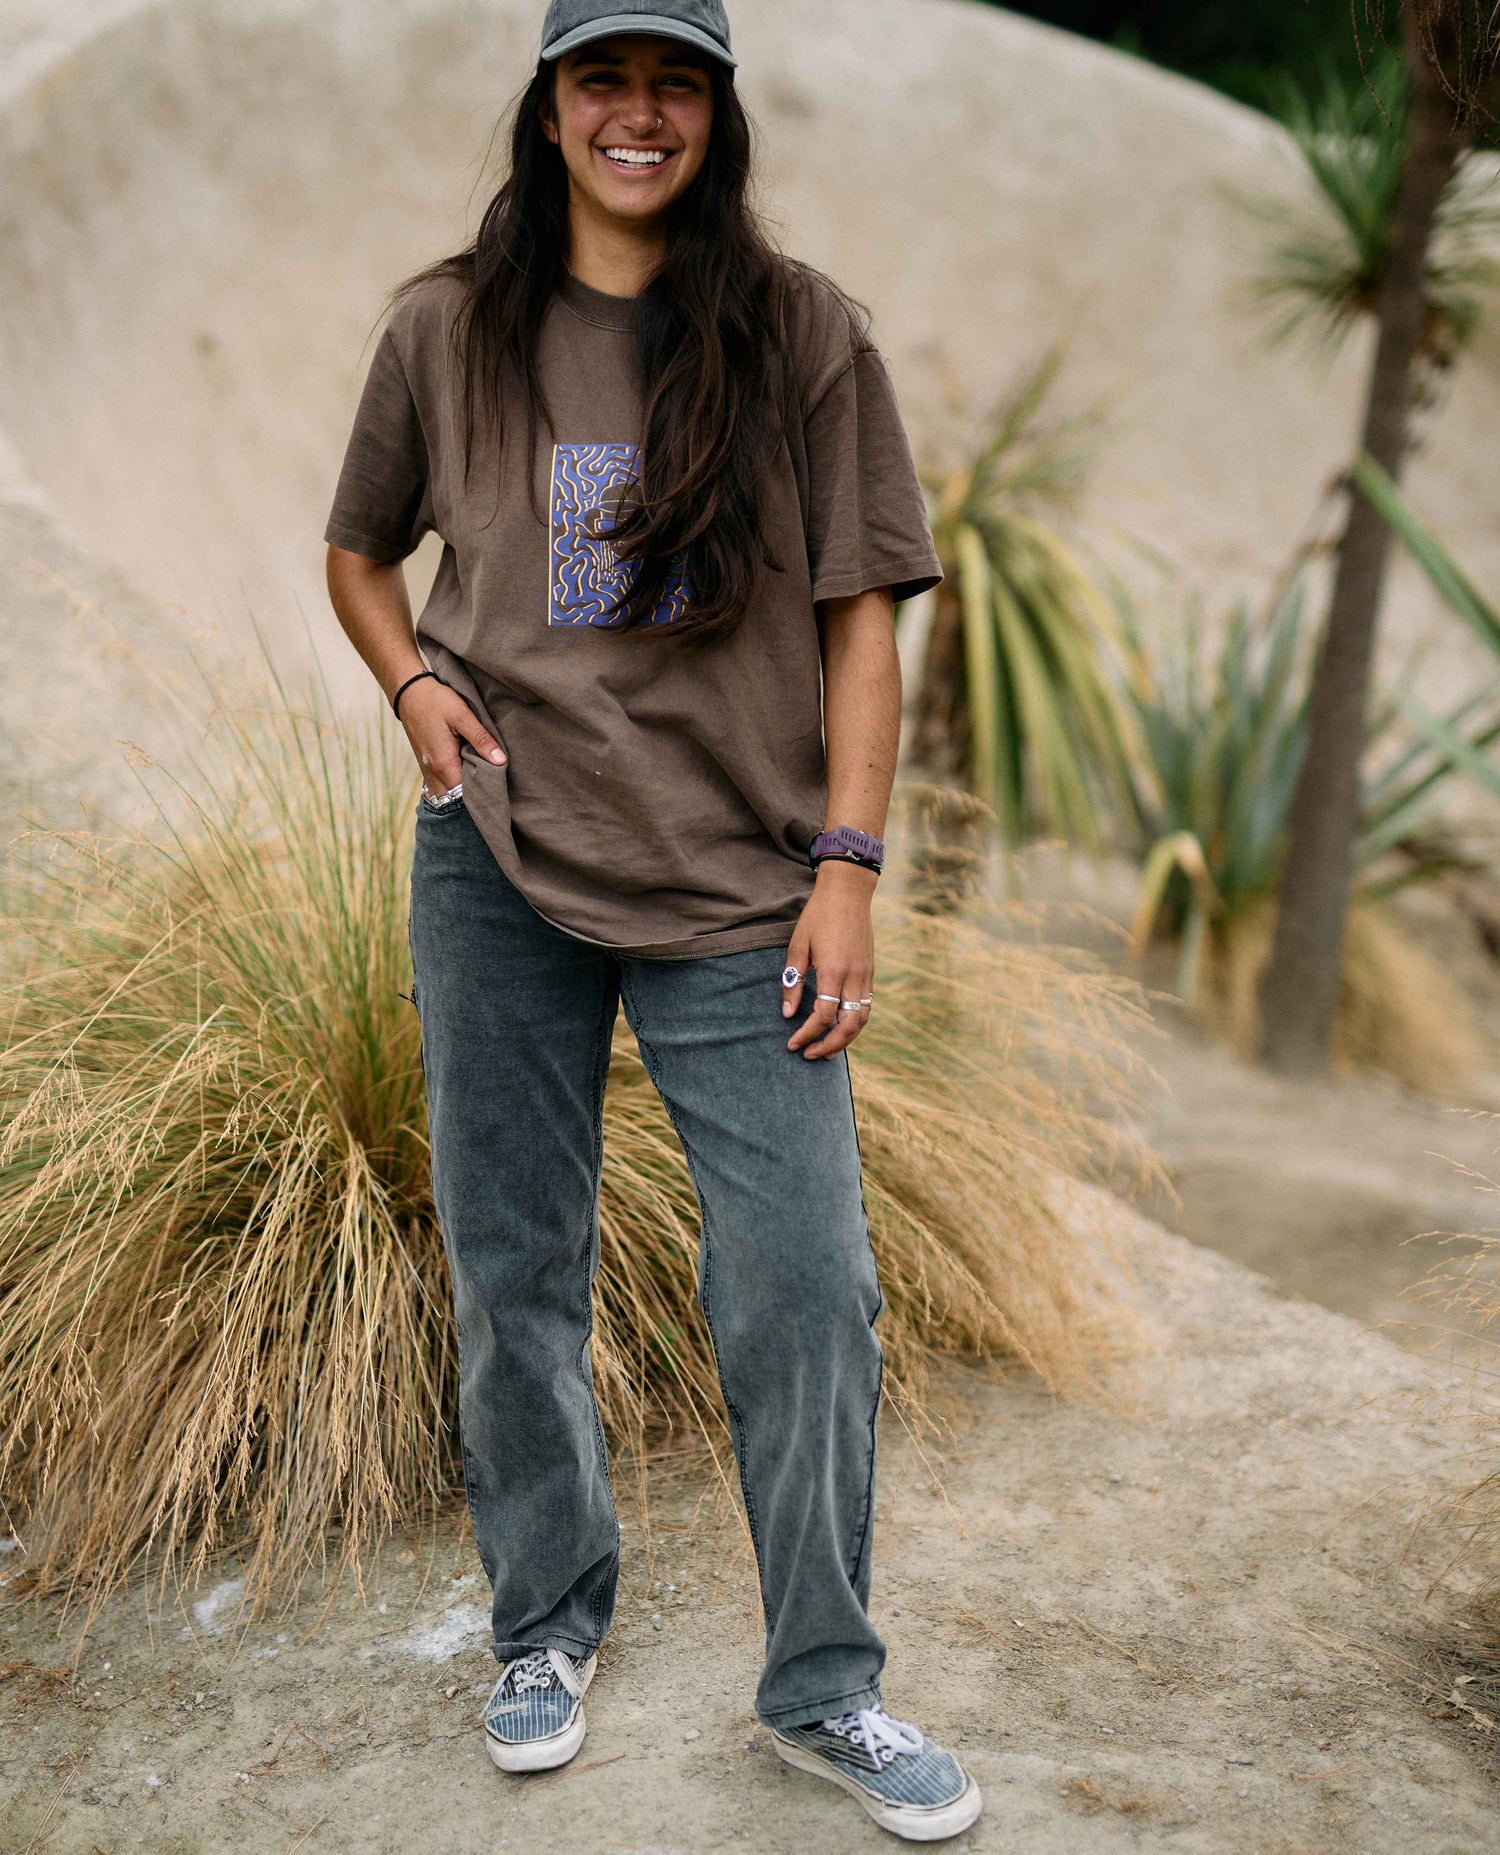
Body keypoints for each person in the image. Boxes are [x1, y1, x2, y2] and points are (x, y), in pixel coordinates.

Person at [323, 0, 982, 1839]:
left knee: (806, 1294)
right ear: (547, 108)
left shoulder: (802, 335)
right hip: (502, 869)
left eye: (673, 81)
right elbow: (357, 550)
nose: (638, 113)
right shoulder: (448, 326)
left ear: (716, 112)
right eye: (603, 78)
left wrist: (848, 870)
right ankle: (545, 1621)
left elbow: (866, 611)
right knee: (513, 1267)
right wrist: (410, 692)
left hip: (741, 890)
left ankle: (825, 1688)